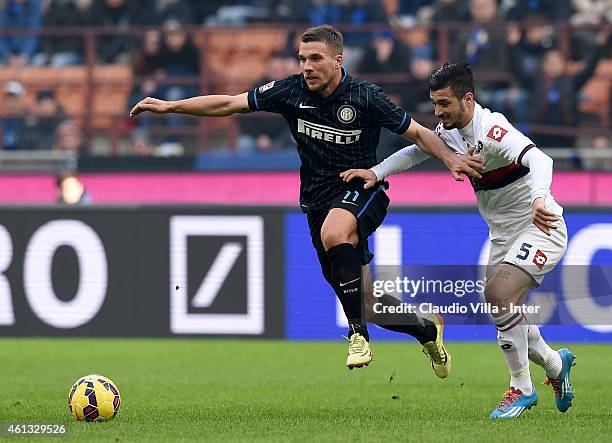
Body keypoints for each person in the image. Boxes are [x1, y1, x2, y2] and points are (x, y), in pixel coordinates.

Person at [130, 25, 483, 372]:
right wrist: (170, 106)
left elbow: (419, 133)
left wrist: (451, 158)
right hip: (316, 201)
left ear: (338, 60)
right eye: (302, 59)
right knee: (368, 302)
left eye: (316, 58)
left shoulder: (364, 96)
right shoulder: (290, 91)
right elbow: (229, 103)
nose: (307, 66)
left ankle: (356, 335)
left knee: (336, 236)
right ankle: (426, 329)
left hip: (363, 188)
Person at [341, 62, 575, 418]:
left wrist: (540, 198)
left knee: (498, 296)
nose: (438, 112)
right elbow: (417, 150)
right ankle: (557, 365)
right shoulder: (449, 132)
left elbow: (541, 159)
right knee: (506, 313)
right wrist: (376, 172)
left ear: (467, 99)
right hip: (503, 236)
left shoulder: (493, 128)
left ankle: (521, 389)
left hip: (540, 226)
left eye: (444, 103)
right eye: (434, 104)